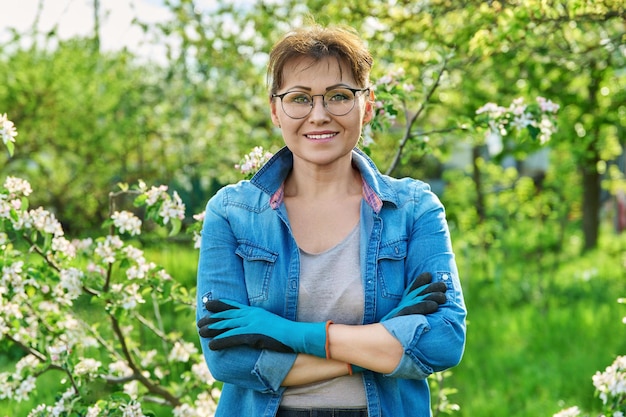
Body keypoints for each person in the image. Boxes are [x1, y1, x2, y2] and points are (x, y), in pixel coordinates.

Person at [196, 23, 466, 417]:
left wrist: (282, 332)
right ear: (275, 110)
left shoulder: (414, 208)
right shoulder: (232, 213)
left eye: (339, 96)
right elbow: (228, 360)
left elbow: (443, 341)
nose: (319, 115)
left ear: (367, 105)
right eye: (299, 99)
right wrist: (373, 345)